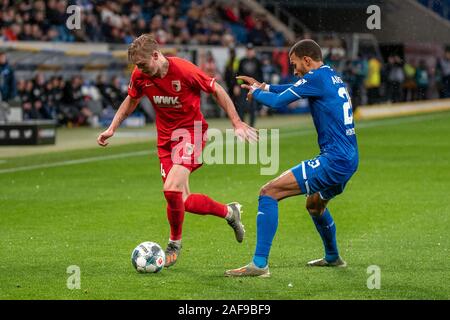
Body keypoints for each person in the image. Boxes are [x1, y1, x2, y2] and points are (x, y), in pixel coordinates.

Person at [97, 34, 257, 268]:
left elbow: (217, 90)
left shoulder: (184, 70)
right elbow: (131, 99)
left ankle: (174, 243)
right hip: (165, 141)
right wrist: (112, 127)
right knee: (183, 201)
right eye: (136, 66)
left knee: (171, 188)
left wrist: (236, 122)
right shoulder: (140, 75)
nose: (139, 69)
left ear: (155, 55)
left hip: (190, 134)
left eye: (142, 64)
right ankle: (229, 212)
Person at [225, 39, 359, 277]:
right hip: (349, 159)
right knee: (315, 205)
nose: (295, 71)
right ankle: (333, 257)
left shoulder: (316, 77)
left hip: (334, 160)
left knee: (269, 192)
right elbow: (292, 88)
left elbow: (278, 103)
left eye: (295, 64)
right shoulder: (330, 76)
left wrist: (256, 93)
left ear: (307, 60)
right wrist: (264, 87)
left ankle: (259, 264)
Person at [237, 43, 263, 127]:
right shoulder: (242, 61)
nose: (249, 52)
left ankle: (252, 126)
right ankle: (242, 124)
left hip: (254, 87)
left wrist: (260, 85)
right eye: (248, 50)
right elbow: (238, 75)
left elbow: (260, 75)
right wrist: (237, 85)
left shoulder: (257, 61)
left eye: (250, 50)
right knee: (242, 106)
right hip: (244, 86)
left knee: (253, 107)